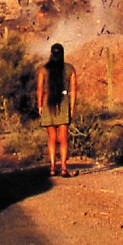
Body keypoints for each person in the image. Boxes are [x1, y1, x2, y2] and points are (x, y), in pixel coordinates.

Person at [36, 43, 77, 177]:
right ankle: (64, 168)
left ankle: (53, 168)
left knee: (52, 138)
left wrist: (40, 106)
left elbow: (40, 89)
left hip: (48, 103)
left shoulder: (43, 69)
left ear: (51, 54)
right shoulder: (70, 69)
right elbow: (73, 90)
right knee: (63, 138)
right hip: (64, 102)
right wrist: (72, 108)